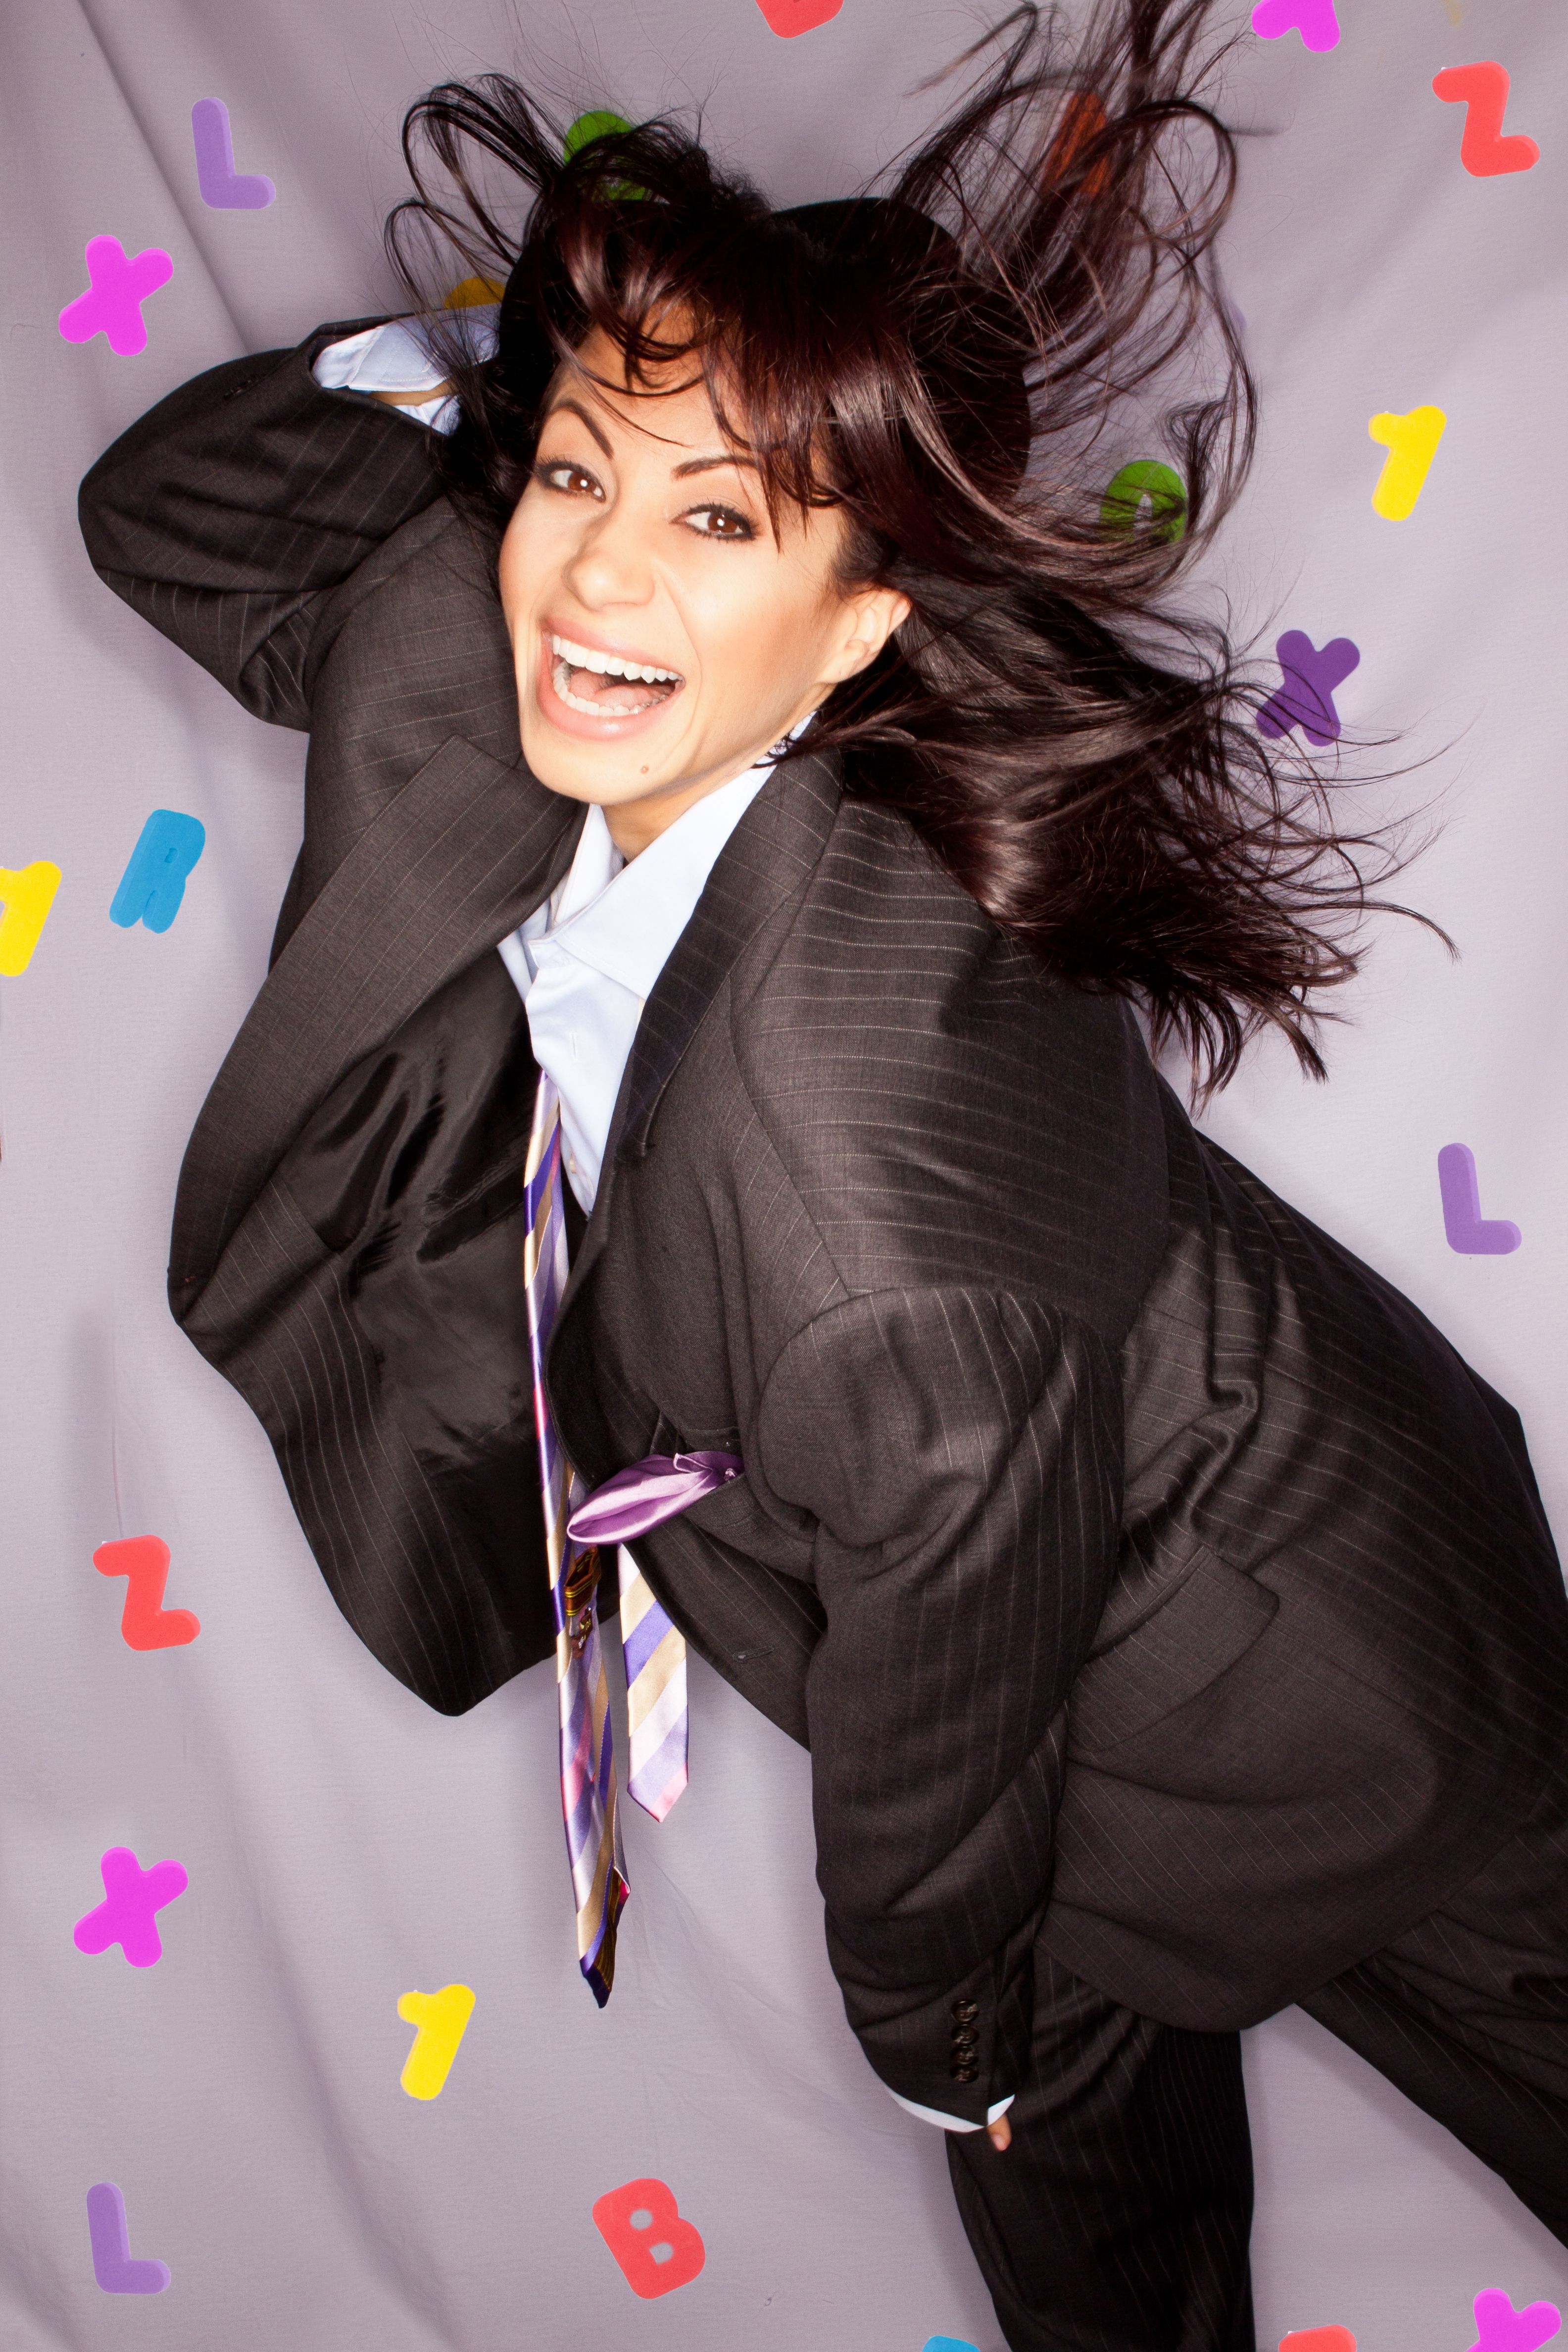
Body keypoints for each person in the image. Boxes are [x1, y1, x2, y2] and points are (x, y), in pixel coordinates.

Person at [77, 4, 1568, 2344]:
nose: (598, 583)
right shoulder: (536, 681)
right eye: (577, 481)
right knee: (1105, 2263)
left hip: (1322, 1701)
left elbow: (948, 1723)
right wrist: (578, 369)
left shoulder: (858, 1193)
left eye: (715, 521)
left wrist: (943, 2036)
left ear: (864, 619)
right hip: (1027, 1677)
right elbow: (162, 508)